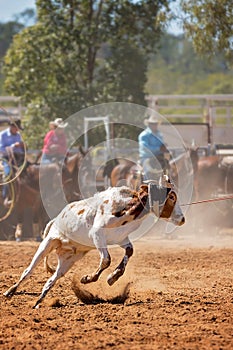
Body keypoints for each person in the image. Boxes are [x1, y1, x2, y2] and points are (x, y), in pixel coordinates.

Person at [0, 119, 25, 205]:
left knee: (28, 171)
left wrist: (22, 146)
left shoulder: (18, 135)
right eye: (16, 128)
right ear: (12, 126)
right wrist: (14, 146)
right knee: (8, 174)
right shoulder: (3, 135)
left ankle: (24, 194)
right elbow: (1, 149)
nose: (17, 130)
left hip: (18, 158)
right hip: (7, 158)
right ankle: (6, 196)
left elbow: (22, 149)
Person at [138, 114, 170, 180]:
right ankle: (146, 186)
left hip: (159, 157)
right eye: (153, 124)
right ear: (149, 124)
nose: (154, 125)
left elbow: (161, 145)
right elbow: (145, 148)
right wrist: (159, 148)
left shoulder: (159, 134)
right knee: (148, 171)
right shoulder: (144, 135)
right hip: (147, 157)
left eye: (155, 124)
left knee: (170, 169)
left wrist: (164, 148)